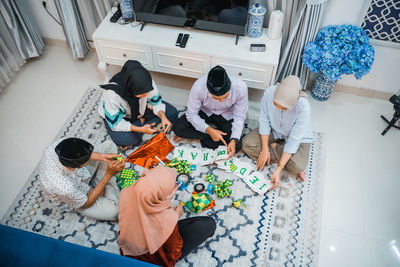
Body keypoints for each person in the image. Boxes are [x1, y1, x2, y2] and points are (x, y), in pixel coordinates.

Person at [118, 166, 216, 267]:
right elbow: (174, 253)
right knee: (209, 224)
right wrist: (174, 216)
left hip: (129, 252)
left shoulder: (126, 194)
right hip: (156, 260)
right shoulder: (166, 219)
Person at [242, 76, 313, 189]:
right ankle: (279, 153)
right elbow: (264, 120)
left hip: (296, 136)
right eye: (276, 104)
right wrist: (265, 149)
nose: (279, 109)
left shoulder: (303, 107)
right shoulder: (269, 92)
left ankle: (276, 149)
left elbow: (294, 140)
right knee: (246, 144)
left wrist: (279, 168)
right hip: (274, 130)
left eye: (284, 108)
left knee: (298, 166)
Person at [39, 138, 125, 221]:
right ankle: (103, 184)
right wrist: (108, 175)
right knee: (116, 212)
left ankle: (98, 186)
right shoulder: (64, 188)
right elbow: (87, 203)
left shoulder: (62, 144)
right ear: (75, 168)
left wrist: (102, 156)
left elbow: (84, 154)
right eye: (86, 160)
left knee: (109, 145)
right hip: (77, 197)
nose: (90, 157)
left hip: (79, 177)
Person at [98, 60, 178, 149]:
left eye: (147, 92)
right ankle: (141, 124)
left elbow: (156, 102)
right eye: (142, 94)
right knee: (126, 139)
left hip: (141, 109)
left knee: (172, 113)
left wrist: (163, 117)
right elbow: (116, 123)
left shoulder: (146, 82)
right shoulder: (111, 94)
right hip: (122, 117)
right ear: (131, 88)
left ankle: (141, 122)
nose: (146, 95)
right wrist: (140, 129)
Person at [173, 65, 248, 159]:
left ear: (231, 84)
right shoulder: (198, 86)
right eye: (216, 98)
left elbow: (239, 116)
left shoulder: (241, 88)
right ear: (207, 89)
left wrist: (233, 140)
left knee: (236, 146)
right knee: (178, 129)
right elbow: (191, 114)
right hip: (205, 111)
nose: (221, 101)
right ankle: (209, 137)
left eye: (225, 97)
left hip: (227, 114)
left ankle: (200, 136)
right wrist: (209, 130)